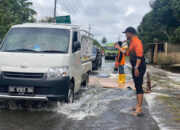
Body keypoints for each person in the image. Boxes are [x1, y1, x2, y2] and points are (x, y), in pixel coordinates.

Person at [115, 27, 146, 117]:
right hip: (135, 67)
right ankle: (137, 106)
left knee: (139, 86)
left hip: (139, 66)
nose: (125, 35)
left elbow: (139, 56)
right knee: (136, 86)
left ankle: (139, 109)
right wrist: (118, 47)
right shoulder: (132, 43)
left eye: (126, 33)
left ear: (130, 33)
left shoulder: (137, 42)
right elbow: (127, 53)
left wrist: (136, 68)